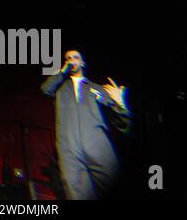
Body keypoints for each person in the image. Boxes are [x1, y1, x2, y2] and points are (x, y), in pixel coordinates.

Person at [41, 50, 132, 199]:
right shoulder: (59, 89)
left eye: (75, 57)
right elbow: (45, 89)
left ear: (82, 62)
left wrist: (121, 105)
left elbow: (124, 125)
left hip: (99, 149)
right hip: (70, 153)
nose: (71, 60)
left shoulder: (98, 89)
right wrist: (62, 72)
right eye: (68, 59)